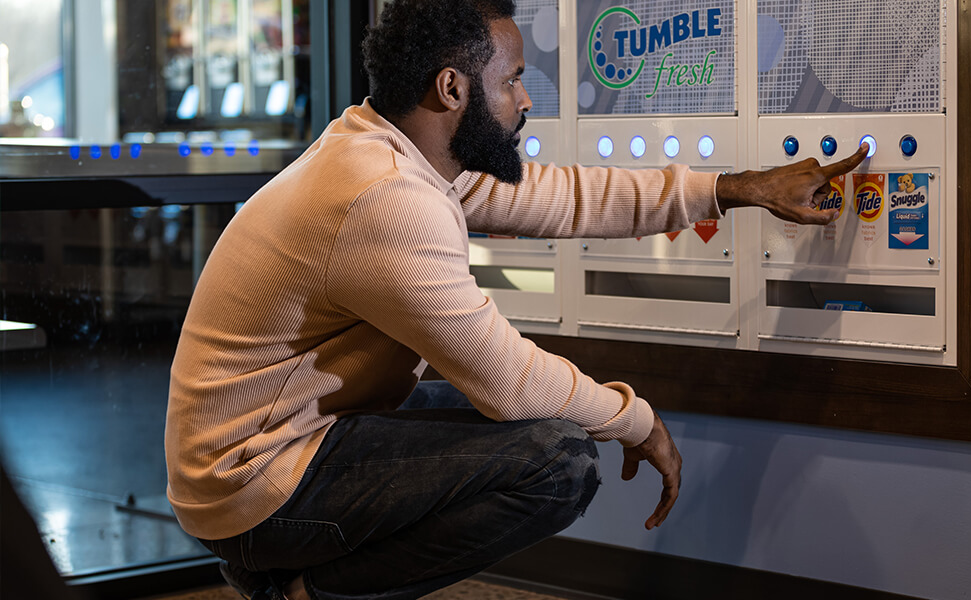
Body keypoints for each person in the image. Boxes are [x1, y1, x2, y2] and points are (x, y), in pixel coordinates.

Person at [164, 1, 868, 599]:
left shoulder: (397, 152)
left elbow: (570, 198)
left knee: (525, 429)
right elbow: (509, 381)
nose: (525, 100)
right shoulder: (383, 199)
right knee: (556, 459)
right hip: (250, 485)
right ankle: (306, 592)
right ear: (452, 88)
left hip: (300, 438)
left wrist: (737, 187)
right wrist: (637, 420)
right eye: (512, 81)